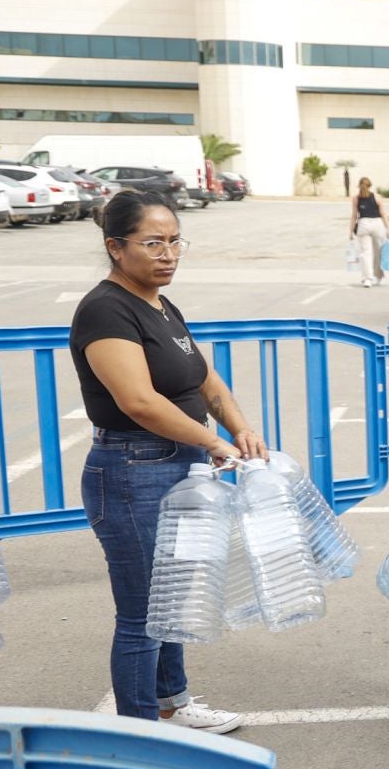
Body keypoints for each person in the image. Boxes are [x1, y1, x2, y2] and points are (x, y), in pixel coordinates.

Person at [71, 192, 269, 732]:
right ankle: (140, 736)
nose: (168, 254)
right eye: (153, 243)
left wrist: (240, 427)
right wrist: (214, 443)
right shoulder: (105, 309)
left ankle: (172, 706)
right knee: (142, 615)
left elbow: (203, 377)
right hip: (132, 471)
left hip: (176, 466)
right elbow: (138, 401)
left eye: (175, 241)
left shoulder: (160, 305)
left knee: (171, 600)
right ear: (116, 247)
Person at [350, 176, 389, 289]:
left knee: (365, 253)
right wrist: (388, 229)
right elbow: (383, 213)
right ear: (370, 185)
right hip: (377, 224)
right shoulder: (377, 197)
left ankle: (367, 278)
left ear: (359, 185)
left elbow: (354, 216)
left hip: (363, 224)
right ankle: (378, 275)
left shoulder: (356, 198)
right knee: (378, 252)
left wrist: (351, 231)